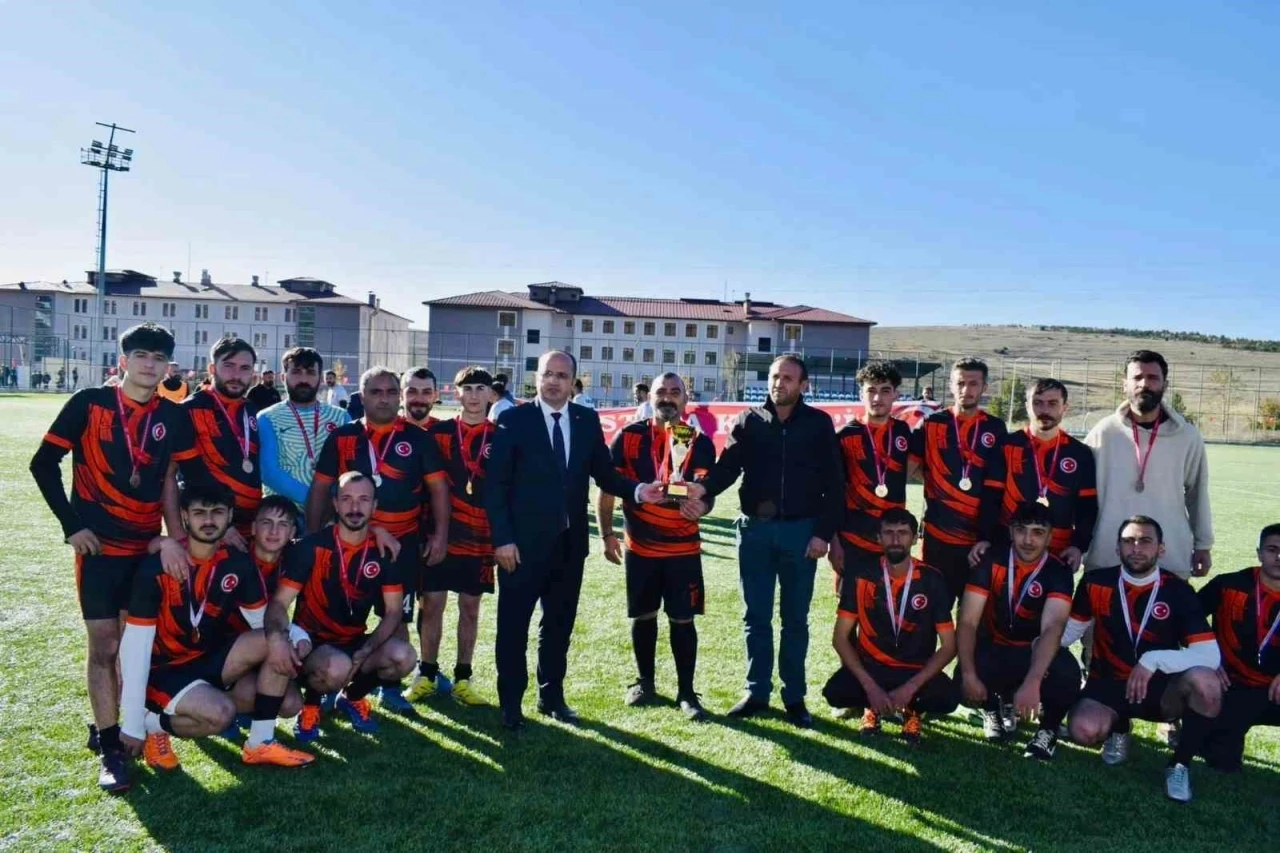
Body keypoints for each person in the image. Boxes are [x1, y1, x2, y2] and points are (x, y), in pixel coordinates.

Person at [28, 322, 192, 793]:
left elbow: (171, 481)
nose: (149, 365)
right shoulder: (89, 403)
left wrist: (174, 537)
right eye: (141, 355)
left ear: (167, 368)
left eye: (158, 359)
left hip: (144, 549)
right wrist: (71, 526)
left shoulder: (172, 415)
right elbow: (43, 463)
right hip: (99, 549)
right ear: (123, 360)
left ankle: (127, 727)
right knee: (103, 648)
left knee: (132, 649)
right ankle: (110, 748)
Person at [485, 350, 664, 731]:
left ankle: (551, 697)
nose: (554, 381)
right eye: (547, 374)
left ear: (573, 382)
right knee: (513, 627)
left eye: (562, 375)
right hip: (520, 548)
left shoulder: (586, 419)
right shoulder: (513, 420)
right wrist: (503, 540)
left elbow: (605, 474)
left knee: (559, 626)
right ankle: (510, 704)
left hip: (569, 546)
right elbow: (495, 485)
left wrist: (638, 490)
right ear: (536, 378)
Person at [693, 354, 844, 728]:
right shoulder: (749, 420)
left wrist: (822, 533)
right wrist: (701, 489)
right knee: (755, 616)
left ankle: (794, 697)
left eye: (788, 378)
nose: (779, 383)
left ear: (804, 385)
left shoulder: (819, 424)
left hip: (801, 533)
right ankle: (756, 691)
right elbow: (727, 469)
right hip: (755, 533)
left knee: (795, 620)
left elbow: (835, 484)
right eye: (775, 376)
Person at [117, 483, 313, 770]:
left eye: (217, 512)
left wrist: (296, 636)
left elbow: (263, 620)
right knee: (221, 714)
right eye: (199, 513)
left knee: (275, 641)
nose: (208, 521)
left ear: (230, 516)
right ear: (185, 516)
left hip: (209, 659)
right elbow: (136, 648)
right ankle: (152, 723)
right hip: (165, 670)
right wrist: (132, 723)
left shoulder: (237, 563)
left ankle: (260, 744)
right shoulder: (156, 568)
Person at [308, 366, 450, 713]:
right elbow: (321, 489)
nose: (384, 399)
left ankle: (388, 688)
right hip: (349, 546)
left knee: (397, 618)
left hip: (401, 547)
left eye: (390, 392)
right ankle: (328, 685)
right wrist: (312, 541)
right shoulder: (343, 437)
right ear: (362, 395)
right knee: (337, 614)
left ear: (399, 396)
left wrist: (441, 535)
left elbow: (438, 490)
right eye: (376, 392)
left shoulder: (419, 438)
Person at [1063, 516, 1222, 803]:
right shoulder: (1095, 582)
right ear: (1117, 548)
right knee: (1083, 731)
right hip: (1108, 683)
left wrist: (1153, 660)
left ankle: (1179, 764)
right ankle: (1120, 727)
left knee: (1207, 683)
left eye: (1145, 541)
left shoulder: (1178, 591)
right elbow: (1071, 631)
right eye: (1128, 541)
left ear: (1161, 548)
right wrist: (1036, 647)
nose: (1136, 548)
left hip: (1161, 689)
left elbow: (1209, 654)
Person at [598, 372, 716, 721]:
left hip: (683, 549)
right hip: (641, 548)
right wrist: (606, 533)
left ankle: (687, 693)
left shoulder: (698, 441)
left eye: (675, 392)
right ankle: (645, 683)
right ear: (649, 397)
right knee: (643, 615)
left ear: (685, 399)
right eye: (661, 391)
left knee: (683, 619)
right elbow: (608, 485)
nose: (667, 397)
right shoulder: (629, 436)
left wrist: (701, 508)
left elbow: (707, 492)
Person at [269, 472, 417, 741]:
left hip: (354, 642)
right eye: (347, 499)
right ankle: (311, 706)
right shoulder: (312, 547)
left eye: (363, 500)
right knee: (336, 666)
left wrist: (368, 648)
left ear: (374, 506)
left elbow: (394, 611)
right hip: (312, 646)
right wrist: (281, 639)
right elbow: (280, 602)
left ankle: (352, 697)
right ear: (335, 504)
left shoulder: (384, 550)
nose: (354, 507)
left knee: (404, 656)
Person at [821, 509, 959, 744]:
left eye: (903, 533)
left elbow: (949, 646)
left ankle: (912, 709)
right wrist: (871, 688)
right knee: (836, 692)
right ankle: (871, 707)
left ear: (914, 538)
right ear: (878, 538)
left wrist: (910, 688)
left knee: (947, 698)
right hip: (873, 668)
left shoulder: (932, 579)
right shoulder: (860, 576)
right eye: (889, 533)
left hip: (914, 669)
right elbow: (840, 638)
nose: (896, 539)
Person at [957, 502, 1080, 758]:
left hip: (1032, 651)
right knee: (961, 677)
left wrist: (1034, 680)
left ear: (1050, 537)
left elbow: (1052, 629)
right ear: (1011, 532)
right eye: (1021, 530)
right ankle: (992, 709)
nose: (1028, 540)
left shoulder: (1058, 571)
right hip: (996, 648)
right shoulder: (990, 560)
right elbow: (968, 621)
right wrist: (969, 674)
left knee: (1067, 672)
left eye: (1038, 532)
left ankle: (1048, 730)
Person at [1084, 351, 1212, 580]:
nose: (1144, 384)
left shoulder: (1187, 436)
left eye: (1153, 378)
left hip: (1169, 557)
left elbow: (1197, 493)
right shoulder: (1104, 432)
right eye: (1137, 377)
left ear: (1165, 384)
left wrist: (1203, 544)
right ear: (1124, 384)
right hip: (1107, 556)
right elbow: (1081, 495)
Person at [413, 367, 499, 706]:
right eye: (468, 388)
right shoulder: (438, 433)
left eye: (481, 388)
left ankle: (464, 677)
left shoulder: (501, 436)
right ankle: (426, 673)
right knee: (432, 604)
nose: (474, 395)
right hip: (440, 534)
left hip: (480, 536)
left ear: (491, 394)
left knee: (470, 607)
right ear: (455, 393)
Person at [973, 378, 1098, 572]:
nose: (1044, 410)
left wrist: (1078, 546)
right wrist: (985, 538)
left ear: (1065, 407)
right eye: (1037, 403)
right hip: (1009, 546)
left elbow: (1086, 507)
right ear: (1027, 406)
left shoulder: (1080, 453)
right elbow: (991, 498)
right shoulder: (1006, 445)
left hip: (1058, 551)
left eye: (1052, 403)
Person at [908, 358, 1008, 600]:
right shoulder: (932, 423)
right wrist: (935, 480)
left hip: (977, 539)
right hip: (938, 535)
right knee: (934, 608)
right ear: (951, 386)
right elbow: (908, 468)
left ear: (984, 387)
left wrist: (987, 536)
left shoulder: (995, 428)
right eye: (960, 383)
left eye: (973, 384)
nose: (966, 390)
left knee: (972, 612)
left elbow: (996, 488)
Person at [1195, 524, 1280, 773]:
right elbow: (1187, 622)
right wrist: (1208, 659)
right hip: (1232, 685)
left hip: (1275, 686)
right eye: (1272, 549)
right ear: (1259, 553)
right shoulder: (1229, 585)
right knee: (1221, 761)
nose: (1279, 557)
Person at [829, 361, 913, 591]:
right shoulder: (844, 436)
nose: (877, 398)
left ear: (896, 394)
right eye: (871, 391)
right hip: (852, 538)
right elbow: (831, 492)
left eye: (885, 390)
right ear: (860, 394)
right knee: (850, 605)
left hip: (892, 539)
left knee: (889, 603)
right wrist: (834, 541)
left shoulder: (904, 432)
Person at [175, 337, 263, 544]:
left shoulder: (251, 410)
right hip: (210, 526)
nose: (236, 375)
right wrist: (223, 524)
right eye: (229, 366)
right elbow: (190, 474)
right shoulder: (188, 409)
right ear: (212, 369)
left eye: (244, 368)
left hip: (249, 527)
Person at [256, 347, 350, 513]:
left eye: (311, 373)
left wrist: (332, 504)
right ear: (283, 377)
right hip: (283, 517)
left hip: (331, 515)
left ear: (320, 378)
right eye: (296, 372)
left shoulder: (341, 417)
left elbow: (349, 469)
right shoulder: (267, 418)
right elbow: (269, 472)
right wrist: (316, 502)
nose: (303, 379)